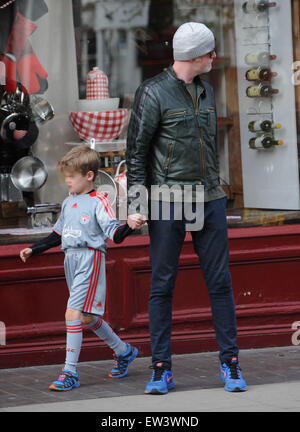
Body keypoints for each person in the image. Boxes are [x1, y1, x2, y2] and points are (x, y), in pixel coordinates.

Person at [126, 22, 247, 394]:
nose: (214, 57)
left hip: (207, 197)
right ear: (197, 56)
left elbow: (208, 146)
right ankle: (161, 368)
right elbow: (137, 154)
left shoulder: (206, 91)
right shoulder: (152, 93)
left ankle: (230, 363)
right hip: (168, 200)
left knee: (220, 282)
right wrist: (135, 205)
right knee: (163, 285)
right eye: (211, 53)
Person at [20, 144, 142, 391]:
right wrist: (35, 249)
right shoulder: (68, 202)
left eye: (71, 176)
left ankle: (70, 372)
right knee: (87, 316)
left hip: (89, 258)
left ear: (88, 176)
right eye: (65, 176)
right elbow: (57, 234)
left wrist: (129, 224)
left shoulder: (99, 201)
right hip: (71, 260)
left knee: (72, 313)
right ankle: (124, 351)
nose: (67, 181)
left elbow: (115, 234)